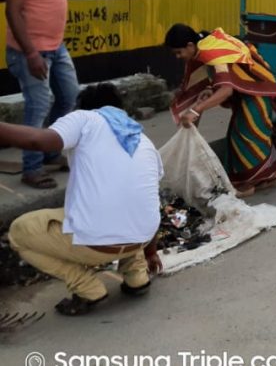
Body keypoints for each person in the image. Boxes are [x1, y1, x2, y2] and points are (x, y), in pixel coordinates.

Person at [5, 84, 162, 316]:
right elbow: (148, 199)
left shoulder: (86, 119)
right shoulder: (142, 138)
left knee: (19, 232)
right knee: (127, 205)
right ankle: (137, 276)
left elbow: (38, 141)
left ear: (85, 108)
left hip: (97, 245)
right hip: (142, 238)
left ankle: (87, 287)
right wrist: (151, 252)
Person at [5, 0, 92, 189]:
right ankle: (31, 169)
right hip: (30, 51)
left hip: (56, 46)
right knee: (39, 104)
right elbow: (13, 11)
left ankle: (51, 152)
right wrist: (31, 54)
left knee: (68, 97)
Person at [166, 24, 276, 196]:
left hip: (255, 93)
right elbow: (227, 78)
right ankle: (270, 175)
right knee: (247, 135)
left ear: (190, 46)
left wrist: (196, 111)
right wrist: (210, 91)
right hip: (250, 91)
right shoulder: (208, 46)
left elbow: (226, 90)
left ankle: (247, 184)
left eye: (179, 52)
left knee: (245, 137)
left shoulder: (210, 53)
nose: (178, 57)